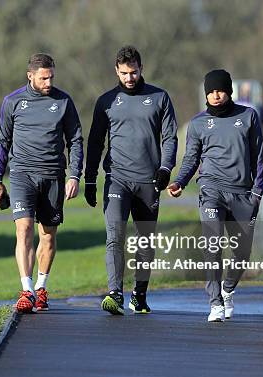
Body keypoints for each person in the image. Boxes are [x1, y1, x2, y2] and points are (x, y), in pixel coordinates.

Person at [85, 46, 178, 315]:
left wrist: (165, 168)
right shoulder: (106, 101)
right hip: (117, 178)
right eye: (124, 73)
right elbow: (95, 142)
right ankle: (115, 293)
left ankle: (139, 293)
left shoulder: (159, 97)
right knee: (115, 236)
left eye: (134, 72)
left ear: (141, 69)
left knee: (145, 240)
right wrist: (90, 180)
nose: (129, 78)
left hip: (149, 180)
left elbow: (170, 137)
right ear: (116, 70)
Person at [167, 69, 263, 322]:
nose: (215, 95)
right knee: (212, 246)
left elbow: (258, 156)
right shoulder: (198, 123)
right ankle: (215, 303)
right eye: (210, 92)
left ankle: (228, 289)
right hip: (211, 190)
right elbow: (191, 158)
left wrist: (257, 191)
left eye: (219, 90)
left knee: (242, 253)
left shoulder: (248, 116)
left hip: (243, 193)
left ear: (229, 90)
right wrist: (179, 181)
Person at [0, 53, 83, 313]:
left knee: (48, 236)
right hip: (22, 174)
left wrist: (74, 175)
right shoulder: (12, 102)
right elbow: (3, 142)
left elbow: (75, 140)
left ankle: (41, 287)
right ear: (30, 76)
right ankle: (26, 290)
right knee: (24, 230)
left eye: (51, 76)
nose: (48, 82)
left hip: (54, 175)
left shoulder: (63, 101)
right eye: (43, 78)